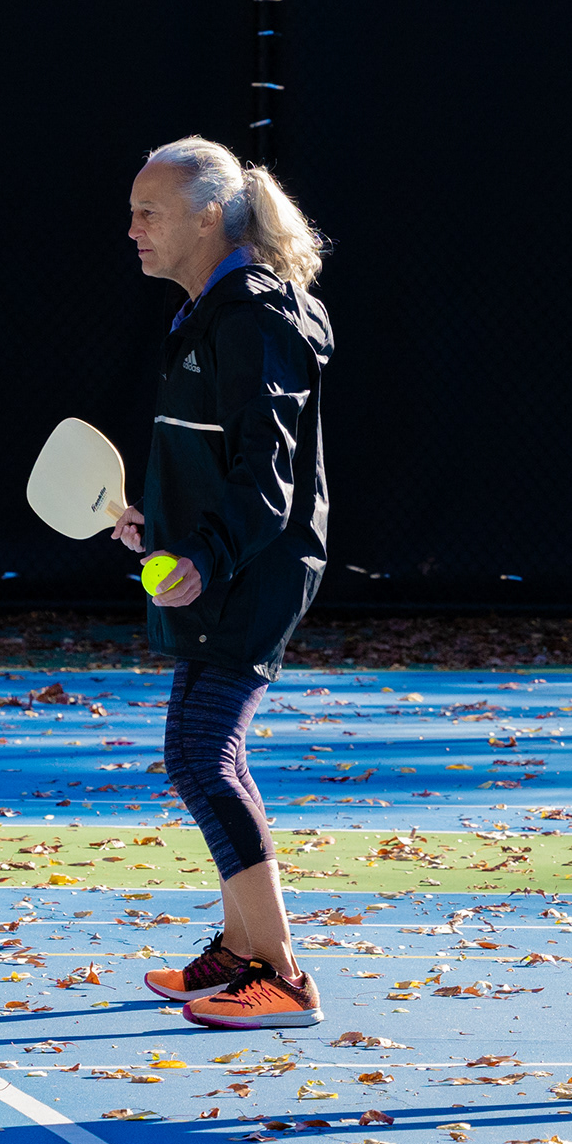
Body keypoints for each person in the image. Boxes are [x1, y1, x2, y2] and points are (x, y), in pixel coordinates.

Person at [111, 135, 335, 1032]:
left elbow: (266, 477)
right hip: (214, 562)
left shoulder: (252, 317)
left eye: (148, 211)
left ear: (210, 214)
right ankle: (242, 950)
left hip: (253, 572)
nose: (132, 229)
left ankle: (282, 974)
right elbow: (207, 458)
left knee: (206, 759)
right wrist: (157, 529)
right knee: (197, 758)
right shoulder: (207, 311)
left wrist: (204, 553)